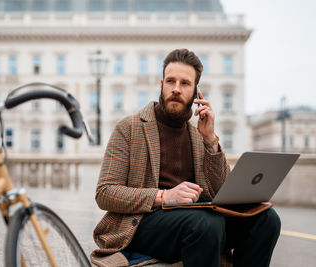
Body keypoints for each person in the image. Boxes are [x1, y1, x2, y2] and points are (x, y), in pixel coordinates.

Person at [91, 48, 281, 267]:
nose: (176, 89)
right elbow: (105, 193)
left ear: (196, 93)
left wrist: (210, 139)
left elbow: (222, 192)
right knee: (207, 224)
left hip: (200, 221)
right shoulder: (130, 127)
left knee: (267, 220)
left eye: (185, 83)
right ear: (161, 85)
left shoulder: (199, 134)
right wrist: (163, 196)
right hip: (144, 223)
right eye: (171, 81)